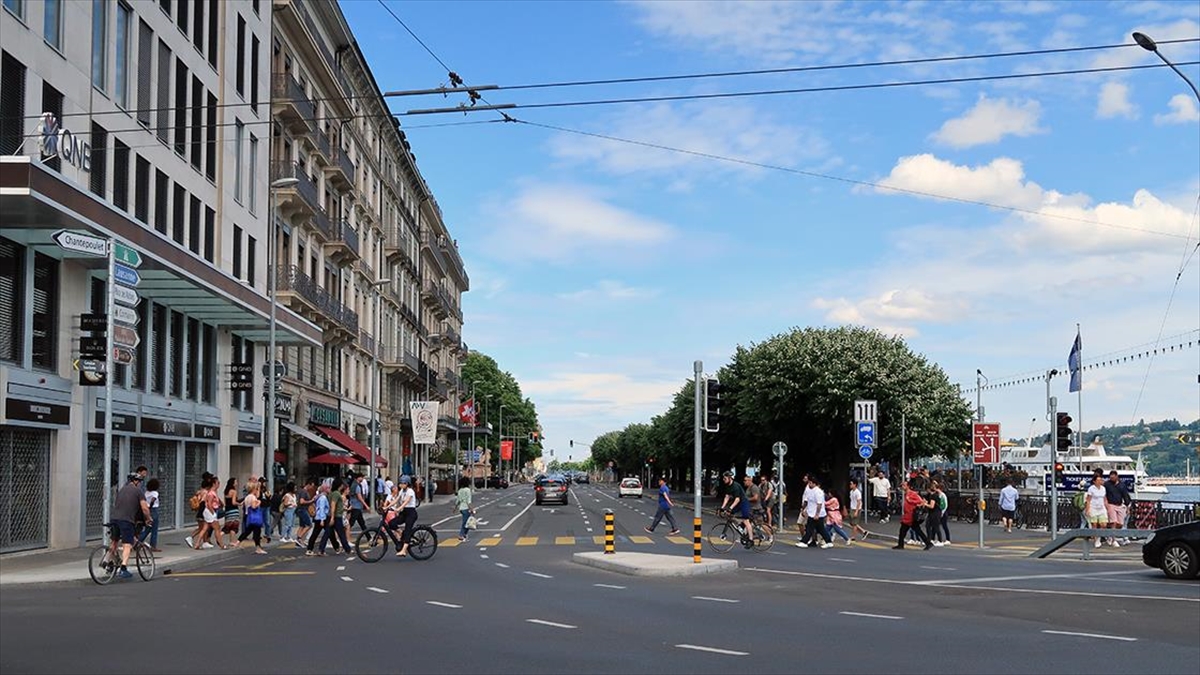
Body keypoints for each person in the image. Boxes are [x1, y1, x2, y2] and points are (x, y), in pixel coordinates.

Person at [111, 473, 153, 579]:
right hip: (126, 520)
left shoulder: (121, 490)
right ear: (136, 481)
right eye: (139, 482)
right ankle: (123, 568)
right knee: (127, 544)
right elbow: (144, 508)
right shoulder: (138, 491)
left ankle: (107, 562)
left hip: (115, 519)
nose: (139, 484)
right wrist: (148, 518)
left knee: (114, 542)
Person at [892, 481, 934, 551]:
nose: (902, 487)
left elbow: (920, 501)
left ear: (908, 486)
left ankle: (928, 543)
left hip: (911, 516)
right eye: (902, 485)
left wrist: (911, 501)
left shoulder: (912, 494)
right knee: (906, 531)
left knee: (911, 531)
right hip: (907, 516)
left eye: (904, 485)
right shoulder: (907, 494)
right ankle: (901, 544)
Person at [717, 471, 753, 546]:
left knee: (746, 520)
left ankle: (751, 539)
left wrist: (730, 508)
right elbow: (727, 497)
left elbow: (737, 499)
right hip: (738, 503)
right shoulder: (727, 485)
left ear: (730, 478)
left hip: (743, 502)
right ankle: (740, 527)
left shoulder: (735, 486)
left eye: (725, 478)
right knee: (729, 514)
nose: (724, 479)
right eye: (723, 478)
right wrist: (722, 508)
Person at [796, 476, 832, 549]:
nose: (809, 484)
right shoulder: (809, 490)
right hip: (811, 512)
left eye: (810, 483)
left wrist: (817, 514)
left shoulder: (818, 492)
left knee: (810, 528)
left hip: (817, 514)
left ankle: (804, 541)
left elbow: (819, 504)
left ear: (814, 484)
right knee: (820, 529)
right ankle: (828, 541)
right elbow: (806, 501)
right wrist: (803, 509)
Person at [237, 481, 268, 554]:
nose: (257, 490)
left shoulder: (247, 497)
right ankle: (258, 548)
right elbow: (254, 506)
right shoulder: (253, 497)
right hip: (255, 517)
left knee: (247, 531)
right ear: (253, 489)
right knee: (257, 532)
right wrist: (259, 502)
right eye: (256, 489)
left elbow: (243, 504)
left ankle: (238, 542)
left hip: (249, 516)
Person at [1103, 471, 1132, 546]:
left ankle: (1109, 533)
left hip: (1119, 505)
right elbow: (1104, 494)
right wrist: (1106, 504)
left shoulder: (1122, 485)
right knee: (1114, 522)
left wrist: (1127, 507)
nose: (1111, 478)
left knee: (1120, 524)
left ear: (1116, 476)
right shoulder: (1107, 484)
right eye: (1110, 477)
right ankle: (1113, 539)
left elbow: (1125, 496)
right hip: (1111, 504)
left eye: (1113, 477)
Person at [395, 476, 419, 557]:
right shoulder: (402, 491)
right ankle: (401, 532)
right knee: (392, 523)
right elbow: (396, 499)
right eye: (400, 483)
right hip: (404, 512)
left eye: (403, 483)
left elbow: (406, 501)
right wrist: (387, 507)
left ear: (407, 484)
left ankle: (404, 550)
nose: (401, 485)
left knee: (408, 530)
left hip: (411, 513)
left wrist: (399, 508)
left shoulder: (410, 491)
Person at [306, 484, 332, 556]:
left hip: (318, 517)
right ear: (325, 489)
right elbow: (322, 508)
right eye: (329, 488)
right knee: (327, 532)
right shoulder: (323, 498)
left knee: (316, 533)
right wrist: (322, 520)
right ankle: (320, 549)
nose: (330, 489)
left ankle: (310, 549)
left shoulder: (319, 496)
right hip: (322, 518)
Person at [1084, 474, 1109, 548]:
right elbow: (1088, 500)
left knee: (1103, 524)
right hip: (1093, 507)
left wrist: (1107, 508)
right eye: (1098, 480)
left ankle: (1099, 537)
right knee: (1094, 524)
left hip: (1101, 508)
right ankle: (1096, 540)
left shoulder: (1103, 488)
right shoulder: (1091, 488)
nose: (1099, 481)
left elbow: (1105, 499)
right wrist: (1088, 509)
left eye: (1100, 480)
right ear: (1094, 481)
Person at [139, 478, 162, 552]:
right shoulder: (155, 493)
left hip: (147, 509)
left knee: (147, 528)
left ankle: (138, 541)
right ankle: (153, 545)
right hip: (153, 510)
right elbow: (153, 499)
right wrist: (151, 506)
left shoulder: (146, 493)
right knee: (154, 529)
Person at [221, 478, 242, 549]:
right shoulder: (233, 491)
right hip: (234, 510)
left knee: (228, 526)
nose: (237, 483)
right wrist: (239, 503)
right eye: (235, 482)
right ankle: (231, 541)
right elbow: (233, 502)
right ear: (232, 483)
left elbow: (225, 503)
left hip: (228, 510)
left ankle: (231, 541)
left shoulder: (226, 491)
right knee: (234, 526)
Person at [455, 477, 475, 541]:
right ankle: (461, 535)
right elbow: (469, 501)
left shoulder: (460, 490)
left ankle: (464, 535)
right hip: (466, 508)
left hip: (461, 508)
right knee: (465, 523)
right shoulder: (468, 490)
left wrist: (455, 508)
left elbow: (458, 500)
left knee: (467, 522)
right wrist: (471, 509)